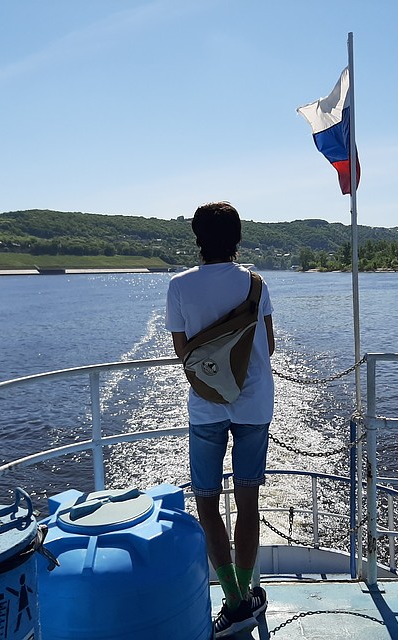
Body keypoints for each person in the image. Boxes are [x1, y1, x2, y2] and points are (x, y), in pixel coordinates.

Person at [165, 201, 275, 637]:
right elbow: (269, 343)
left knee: (208, 505)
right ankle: (249, 595)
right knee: (248, 505)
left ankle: (233, 601)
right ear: (238, 239)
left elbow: (183, 354)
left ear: (197, 239)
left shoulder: (178, 286)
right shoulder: (255, 283)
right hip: (254, 406)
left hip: (207, 406)